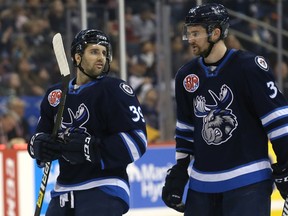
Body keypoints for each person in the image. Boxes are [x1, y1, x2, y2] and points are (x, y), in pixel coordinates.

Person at [161, 3, 288, 216]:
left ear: (215, 32)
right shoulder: (186, 75)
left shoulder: (249, 66)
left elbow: (277, 121)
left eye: (196, 33)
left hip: (248, 182)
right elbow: (185, 129)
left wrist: (285, 164)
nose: (190, 39)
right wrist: (180, 170)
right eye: (188, 33)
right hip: (202, 186)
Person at [28, 29, 147, 216]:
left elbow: (137, 141)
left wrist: (94, 148)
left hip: (105, 186)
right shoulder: (55, 95)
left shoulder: (114, 90)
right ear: (77, 57)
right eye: (94, 52)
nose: (101, 57)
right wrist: (39, 147)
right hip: (63, 191)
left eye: (104, 53)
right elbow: (40, 137)